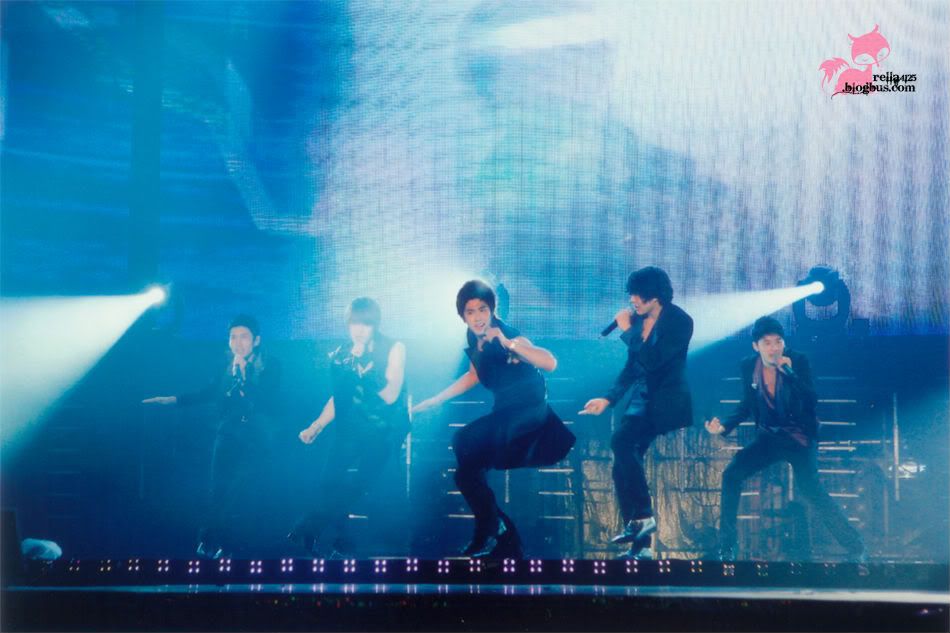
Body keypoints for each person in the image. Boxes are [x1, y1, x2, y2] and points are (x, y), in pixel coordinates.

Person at [412, 280, 575, 559]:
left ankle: (491, 530)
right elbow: (474, 375)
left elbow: (550, 362)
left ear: (492, 310)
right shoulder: (472, 337)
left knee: (463, 440)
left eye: (483, 310)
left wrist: (509, 343)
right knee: (465, 475)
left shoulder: (506, 335)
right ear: (463, 316)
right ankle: (500, 532)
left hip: (529, 410)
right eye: (470, 311)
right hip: (505, 413)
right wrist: (435, 400)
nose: (477, 317)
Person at [704, 316, 867, 562]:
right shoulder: (748, 366)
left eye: (778, 342)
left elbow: (811, 400)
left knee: (811, 489)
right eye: (767, 343)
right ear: (756, 346)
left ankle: (855, 547)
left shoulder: (797, 361)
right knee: (731, 475)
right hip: (769, 437)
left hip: (799, 438)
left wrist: (790, 375)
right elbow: (747, 404)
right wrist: (724, 426)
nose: (774, 348)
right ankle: (727, 547)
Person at [143, 314, 280, 559]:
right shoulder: (226, 366)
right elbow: (209, 392)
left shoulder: (271, 365)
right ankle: (209, 543)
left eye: (244, 337)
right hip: (228, 433)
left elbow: (266, 401)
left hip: (256, 437)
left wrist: (244, 375)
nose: (238, 343)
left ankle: (239, 544)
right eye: (233, 337)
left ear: (256, 340)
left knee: (243, 489)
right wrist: (173, 400)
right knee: (218, 489)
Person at [580, 266, 694, 559]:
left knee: (621, 442)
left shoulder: (680, 321)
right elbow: (632, 368)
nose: (632, 300)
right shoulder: (640, 321)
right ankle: (641, 545)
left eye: (637, 295)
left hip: (664, 401)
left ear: (654, 296)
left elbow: (654, 360)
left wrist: (629, 331)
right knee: (622, 463)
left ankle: (642, 517)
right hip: (639, 400)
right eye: (631, 295)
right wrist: (608, 399)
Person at [288, 298, 409, 557]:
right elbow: (338, 398)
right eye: (354, 323)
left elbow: (391, 394)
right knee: (328, 482)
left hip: (385, 428)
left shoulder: (394, 347)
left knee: (362, 483)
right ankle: (342, 542)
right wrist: (316, 426)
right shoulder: (342, 355)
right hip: (352, 427)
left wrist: (358, 372)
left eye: (366, 323)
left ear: (375, 324)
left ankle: (311, 527)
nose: (359, 329)